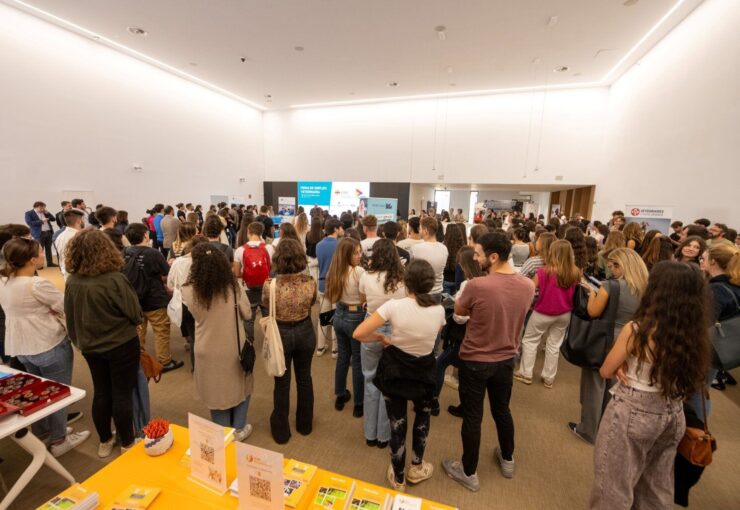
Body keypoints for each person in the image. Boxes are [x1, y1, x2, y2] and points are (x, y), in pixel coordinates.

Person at [589, 261, 710, 509]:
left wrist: (623, 366)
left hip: (633, 410)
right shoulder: (695, 333)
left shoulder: (638, 330)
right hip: (673, 413)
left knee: (612, 486)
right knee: (656, 487)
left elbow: (606, 370)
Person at [442, 232, 535, 491]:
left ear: (493, 257)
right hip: (506, 359)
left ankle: (468, 472)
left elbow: (460, 311)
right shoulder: (528, 285)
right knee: (502, 410)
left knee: (473, 417)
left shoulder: (477, 286)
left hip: (475, 360)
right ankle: (507, 458)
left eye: (479, 253)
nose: (475, 257)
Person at [353, 259, 445, 491]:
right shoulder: (439, 310)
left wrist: (383, 338)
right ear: (430, 284)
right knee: (422, 418)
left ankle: (399, 477)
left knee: (397, 424)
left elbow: (359, 333)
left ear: (405, 282)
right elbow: (434, 338)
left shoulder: (393, 307)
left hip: (396, 369)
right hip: (424, 369)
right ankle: (417, 466)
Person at [0, 238, 90, 457]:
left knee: (37, 391)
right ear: (32, 259)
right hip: (47, 342)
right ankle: (59, 439)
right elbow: (63, 306)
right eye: (41, 252)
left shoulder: (4, 281)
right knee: (58, 393)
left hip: (20, 345)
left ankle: (42, 431)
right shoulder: (36, 284)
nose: (44, 255)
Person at [64, 229, 143, 457]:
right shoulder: (115, 279)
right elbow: (134, 313)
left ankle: (105, 440)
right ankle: (128, 441)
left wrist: (79, 340)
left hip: (90, 346)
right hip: (121, 344)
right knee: (122, 393)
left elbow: (70, 314)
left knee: (101, 392)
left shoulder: (72, 281)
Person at [569, 248, 649, 443]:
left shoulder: (610, 286)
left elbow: (593, 312)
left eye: (614, 266)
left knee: (594, 384)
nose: (611, 269)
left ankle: (588, 429)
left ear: (622, 265)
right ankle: (608, 427)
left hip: (606, 339)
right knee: (615, 384)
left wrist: (592, 295)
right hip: (632, 339)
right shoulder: (646, 287)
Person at [181, 243, 254, 442]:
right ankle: (239, 428)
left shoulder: (188, 290)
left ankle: (223, 433)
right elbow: (247, 313)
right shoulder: (232, 286)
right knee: (242, 385)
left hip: (205, 348)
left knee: (215, 391)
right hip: (233, 346)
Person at [261, 239, 316, 444]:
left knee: (281, 383)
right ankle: (305, 424)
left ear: (278, 259)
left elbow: (266, 306)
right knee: (305, 379)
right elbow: (312, 303)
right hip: (305, 331)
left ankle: (281, 431)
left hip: (280, 334)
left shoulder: (270, 285)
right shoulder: (309, 282)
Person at [358, 239, 406, 449]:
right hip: (394, 330)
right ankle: (383, 437)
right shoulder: (402, 280)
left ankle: (370, 434)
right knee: (389, 383)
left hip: (370, 327)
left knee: (370, 380)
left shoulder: (366, 276)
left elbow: (363, 299)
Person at [514, 240, 579, 388]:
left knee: (530, 340)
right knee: (554, 345)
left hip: (543, 312)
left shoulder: (544, 271)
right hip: (564, 314)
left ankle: (526, 373)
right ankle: (548, 378)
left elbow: (530, 289)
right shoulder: (575, 272)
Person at [123, 223, 183, 372]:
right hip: (154, 299)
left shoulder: (125, 252)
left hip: (133, 300)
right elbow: (166, 273)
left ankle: (139, 359)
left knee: (138, 331)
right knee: (161, 330)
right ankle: (164, 361)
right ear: (145, 235)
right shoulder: (153, 253)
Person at [432, 246, 483, 416]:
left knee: (440, 364)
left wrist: (455, 307)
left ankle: (433, 401)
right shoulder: (486, 281)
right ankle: (464, 406)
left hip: (463, 335)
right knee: (465, 372)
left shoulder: (467, 285)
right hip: (478, 335)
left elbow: (459, 317)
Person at [326, 237, 366, 417]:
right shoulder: (359, 272)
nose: (360, 255)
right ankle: (359, 403)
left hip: (339, 315)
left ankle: (340, 395)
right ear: (347, 255)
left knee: (343, 357)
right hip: (355, 316)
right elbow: (364, 299)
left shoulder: (334, 271)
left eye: (360, 252)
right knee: (357, 361)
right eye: (356, 252)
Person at [701, 243, 740, 393]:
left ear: (713, 262)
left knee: (697, 394)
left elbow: (703, 324)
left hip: (709, 349)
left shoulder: (716, 290)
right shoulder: (733, 285)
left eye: (703, 258)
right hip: (723, 347)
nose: (701, 262)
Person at [234, 222, 271, 342]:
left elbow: (236, 273)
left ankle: (249, 342)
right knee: (268, 316)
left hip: (249, 289)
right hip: (266, 287)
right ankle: (269, 339)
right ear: (261, 233)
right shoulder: (268, 248)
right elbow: (272, 268)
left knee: (249, 318)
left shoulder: (240, 250)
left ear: (248, 232)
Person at [315, 218, 343, 357]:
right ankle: (335, 349)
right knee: (336, 316)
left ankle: (320, 347)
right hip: (337, 285)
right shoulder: (340, 245)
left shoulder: (319, 245)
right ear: (336, 229)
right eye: (340, 228)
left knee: (323, 317)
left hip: (322, 284)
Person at [410, 217, 448, 296]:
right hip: (438, 292)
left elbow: (411, 270)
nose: (419, 231)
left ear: (425, 231)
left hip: (422, 293)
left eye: (420, 229)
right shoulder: (444, 248)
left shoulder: (416, 248)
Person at [54, 208, 85, 281]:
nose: (84, 222)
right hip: (78, 274)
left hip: (66, 272)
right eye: (83, 220)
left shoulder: (60, 236)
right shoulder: (78, 237)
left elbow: (60, 256)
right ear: (79, 221)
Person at [24, 201, 57, 267]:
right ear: (36, 207)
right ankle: (39, 265)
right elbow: (29, 223)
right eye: (41, 208)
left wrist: (47, 213)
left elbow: (53, 219)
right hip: (39, 233)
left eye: (44, 208)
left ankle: (50, 263)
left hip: (48, 232)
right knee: (38, 250)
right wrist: (41, 221)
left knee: (48, 248)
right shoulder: (29, 213)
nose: (43, 209)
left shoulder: (44, 212)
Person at [442, 224, 466, 295]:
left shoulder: (443, 247)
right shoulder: (462, 249)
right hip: (458, 281)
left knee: (446, 304)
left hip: (445, 280)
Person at [305, 215, 323, 281]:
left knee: (311, 277)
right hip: (320, 258)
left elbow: (306, 245)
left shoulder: (308, 234)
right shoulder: (323, 235)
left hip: (310, 258)